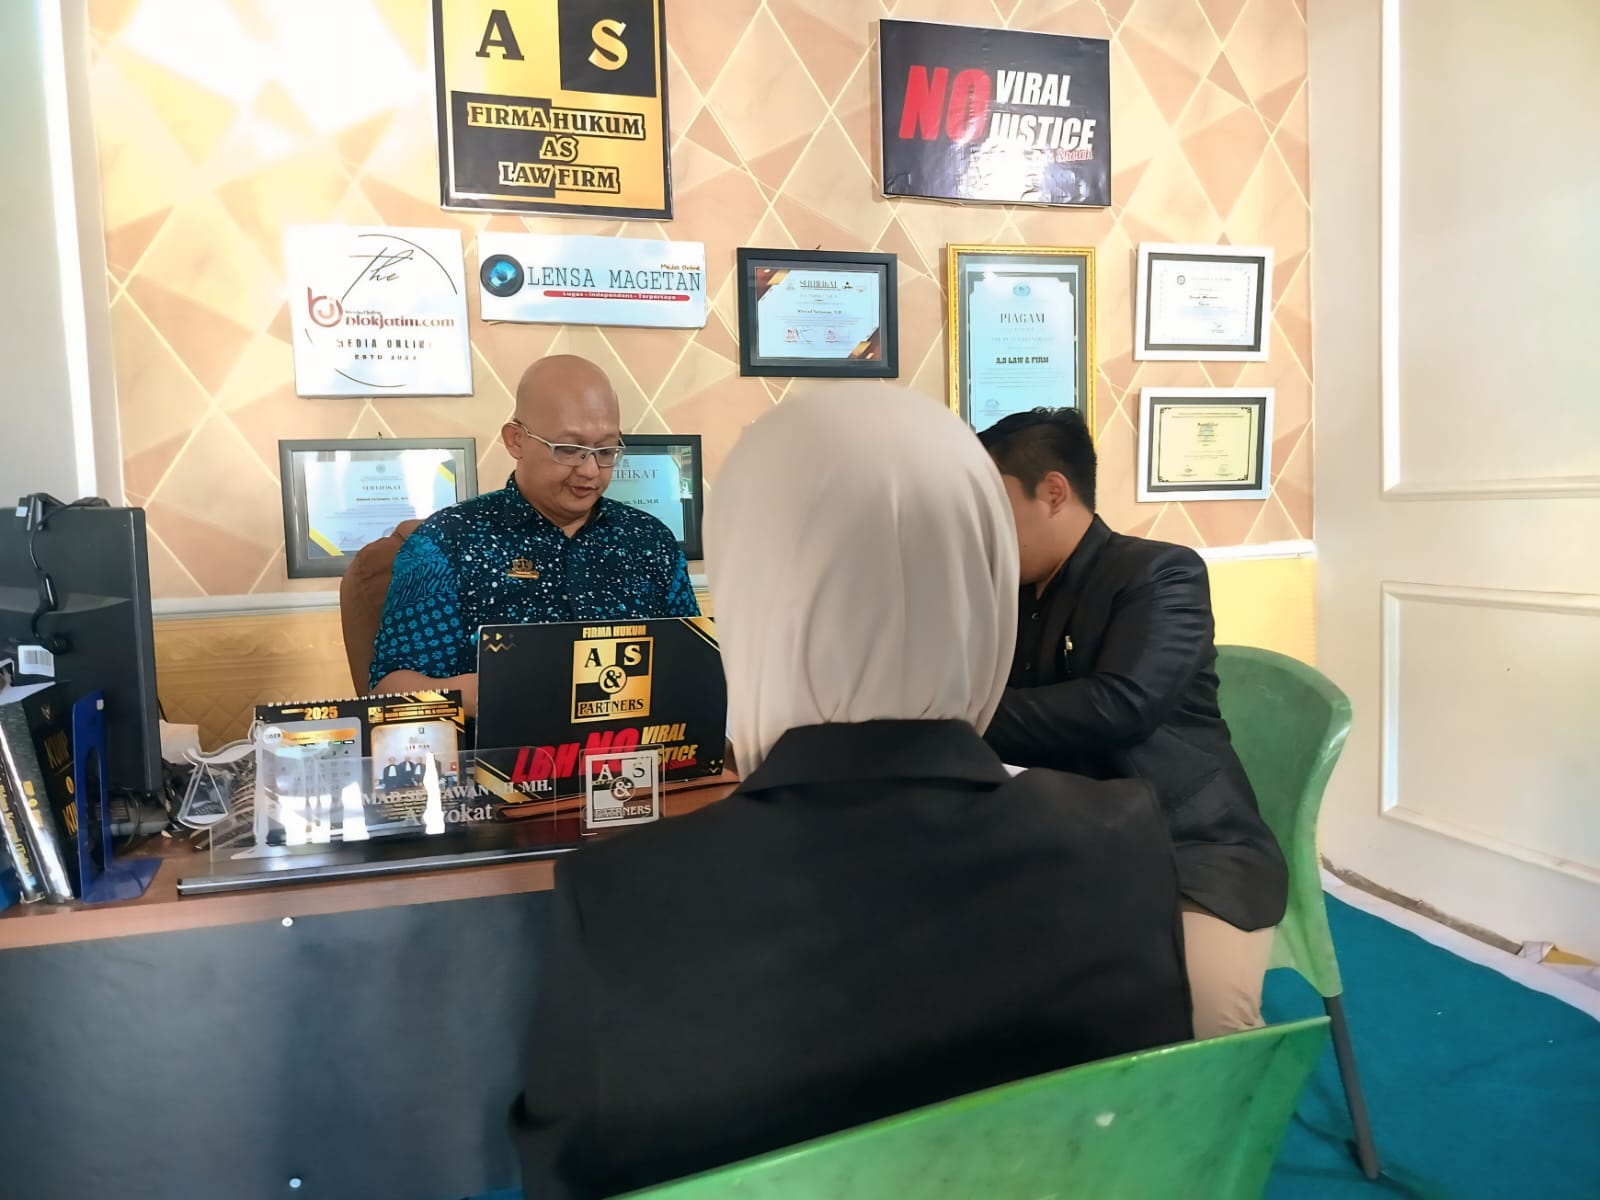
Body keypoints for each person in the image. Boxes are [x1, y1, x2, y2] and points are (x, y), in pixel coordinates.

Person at [510, 386, 1191, 1200]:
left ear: (757, 595)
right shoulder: (1122, 839)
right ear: (979, 579)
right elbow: (1144, 1136)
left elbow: (566, 1170)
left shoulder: (621, 894)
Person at [976, 407, 1289, 1039]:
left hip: (1189, 846)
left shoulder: (1160, 572)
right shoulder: (1009, 591)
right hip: (1063, 838)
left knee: (1207, 1015)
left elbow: (1122, 705)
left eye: (989, 505)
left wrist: (958, 708)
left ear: (1053, 492)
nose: (978, 529)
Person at [368, 355, 699, 715]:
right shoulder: (446, 542)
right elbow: (389, 689)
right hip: (496, 746)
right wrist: (483, 694)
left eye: (606, 451)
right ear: (516, 441)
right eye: (570, 450)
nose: (591, 470)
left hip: (639, 746)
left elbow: (693, 663)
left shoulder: (650, 541)